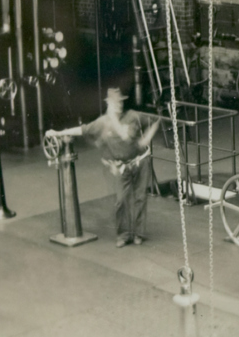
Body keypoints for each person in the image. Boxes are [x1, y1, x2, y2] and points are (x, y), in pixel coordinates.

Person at [47, 87, 160, 247]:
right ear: (109, 104)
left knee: (140, 198)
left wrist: (146, 139)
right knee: (121, 200)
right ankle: (124, 235)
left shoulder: (133, 116)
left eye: (120, 102)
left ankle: (138, 234)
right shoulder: (103, 123)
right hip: (121, 166)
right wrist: (57, 133)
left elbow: (155, 121)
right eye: (115, 103)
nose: (119, 106)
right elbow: (83, 130)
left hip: (140, 162)